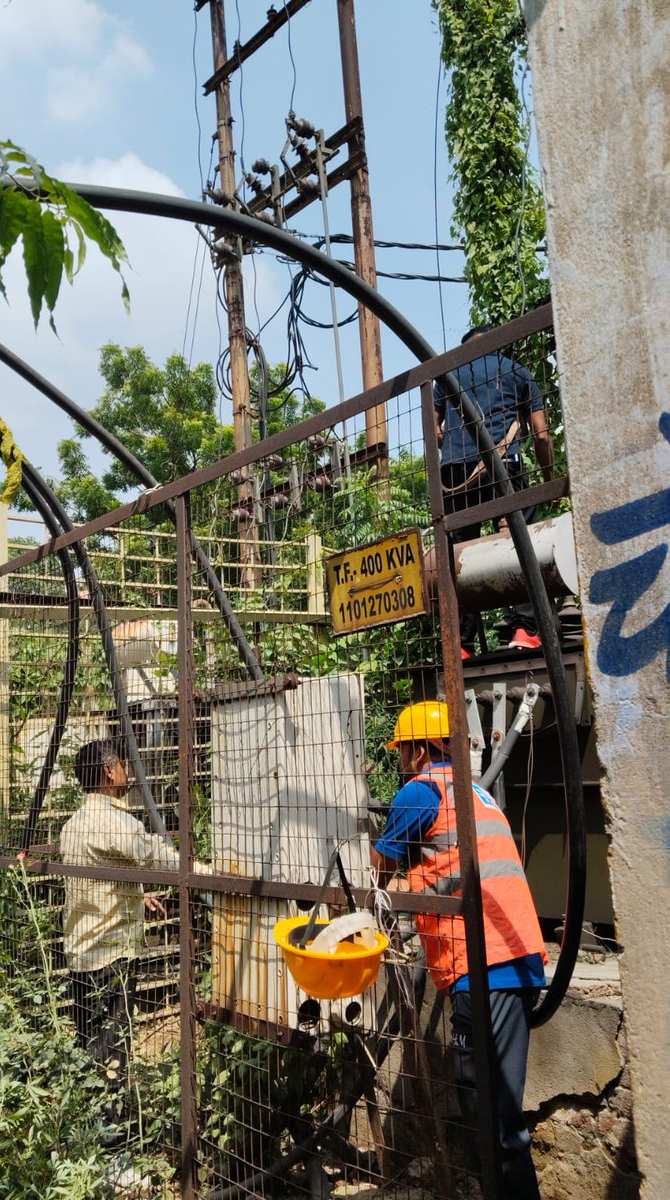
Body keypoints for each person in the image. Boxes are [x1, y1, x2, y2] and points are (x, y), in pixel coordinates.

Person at [371, 702, 545, 1199]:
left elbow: (381, 866)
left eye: (402, 752)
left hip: (480, 964)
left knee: (483, 1110)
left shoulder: (419, 790)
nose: (401, 762)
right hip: (519, 958)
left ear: (421, 750)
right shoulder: (474, 793)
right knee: (502, 1111)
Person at [60, 738, 183, 1131]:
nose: (127, 771)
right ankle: (112, 1142)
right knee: (113, 1051)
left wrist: (136, 893)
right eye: (123, 765)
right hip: (110, 956)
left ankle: (88, 1131)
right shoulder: (114, 822)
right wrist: (204, 872)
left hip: (80, 953)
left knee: (90, 1043)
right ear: (109, 771)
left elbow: (96, 878)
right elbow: (158, 858)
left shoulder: (74, 824)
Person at [435, 326, 554, 656]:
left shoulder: (446, 377)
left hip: (455, 474)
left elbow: (434, 430)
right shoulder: (517, 371)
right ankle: (524, 628)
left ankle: (461, 644)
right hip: (504, 465)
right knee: (518, 538)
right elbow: (541, 434)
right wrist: (548, 478)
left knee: (459, 553)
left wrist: (455, 448)